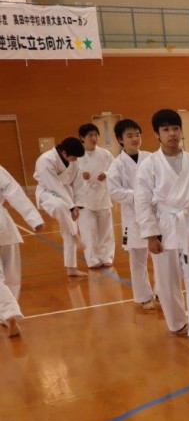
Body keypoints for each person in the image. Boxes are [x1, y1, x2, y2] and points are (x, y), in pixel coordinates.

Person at [134, 109, 189, 346]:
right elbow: (141, 202)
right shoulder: (149, 165)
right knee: (166, 281)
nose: (171, 134)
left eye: (175, 128)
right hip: (165, 226)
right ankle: (177, 322)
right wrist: (150, 235)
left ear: (181, 131)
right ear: (157, 134)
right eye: (165, 129)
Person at [106, 119, 156, 310]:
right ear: (120, 139)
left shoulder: (151, 158)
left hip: (154, 215)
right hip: (133, 218)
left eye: (137, 134)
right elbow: (114, 191)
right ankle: (143, 296)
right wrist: (139, 196)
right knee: (138, 260)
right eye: (129, 136)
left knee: (162, 256)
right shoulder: (116, 165)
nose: (135, 139)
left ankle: (161, 292)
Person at [0, 165, 44, 337]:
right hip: (4, 226)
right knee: (12, 275)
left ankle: (9, 313)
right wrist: (34, 219)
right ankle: (8, 315)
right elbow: (14, 191)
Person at [33, 137, 86, 277]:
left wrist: (77, 205)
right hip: (48, 192)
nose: (75, 160)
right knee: (59, 206)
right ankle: (76, 235)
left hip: (68, 193)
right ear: (63, 152)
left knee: (67, 228)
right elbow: (53, 185)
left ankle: (71, 268)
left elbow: (78, 183)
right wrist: (70, 206)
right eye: (73, 157)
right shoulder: (45, 160)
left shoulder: (73, 160)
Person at [74, 123, 116, 269]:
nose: (94, 138)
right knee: (88, 231)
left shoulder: (105, 154)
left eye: (96, 135)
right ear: (82, 138)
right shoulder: (77, 156)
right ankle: (92, 259)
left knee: (106, 230)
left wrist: (107, 174)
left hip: (103, 196)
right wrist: (81, 175)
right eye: (90, 135)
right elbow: (69, 176)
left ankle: (107, 257)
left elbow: (115, 170)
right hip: (84, 199)